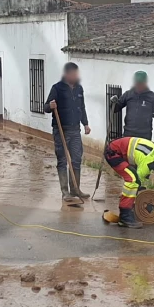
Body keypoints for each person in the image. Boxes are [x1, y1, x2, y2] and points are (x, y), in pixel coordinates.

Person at [103, 137, 154, 228]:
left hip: (117, 149)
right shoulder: (148, 164)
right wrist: (135, 200)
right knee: (133, 180)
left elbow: (143, 177)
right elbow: (138, 181)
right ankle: (125, 216)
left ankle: (127, 210)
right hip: (113, 153)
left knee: (136, 181)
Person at [43, 62, 90, 203]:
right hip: (61, 130)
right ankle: (65, 192)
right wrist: (50, 106)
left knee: (76, 159)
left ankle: (75, 189)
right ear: (67, 74)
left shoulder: (79, 89)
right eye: (74, 74)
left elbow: (82, 107)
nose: (76, 76)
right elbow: (45, 107)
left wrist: (85, 124)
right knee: (62, 160)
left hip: (75, 130)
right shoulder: (57, 88)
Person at [113, 71, 154, 144]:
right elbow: (116, 109)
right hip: (128, 134)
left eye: (141, 83)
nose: (139, 86)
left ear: (145, 83)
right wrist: (114, 103)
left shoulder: (153, 97)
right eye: (137, 83)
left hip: (144, 136)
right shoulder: (128, 94)